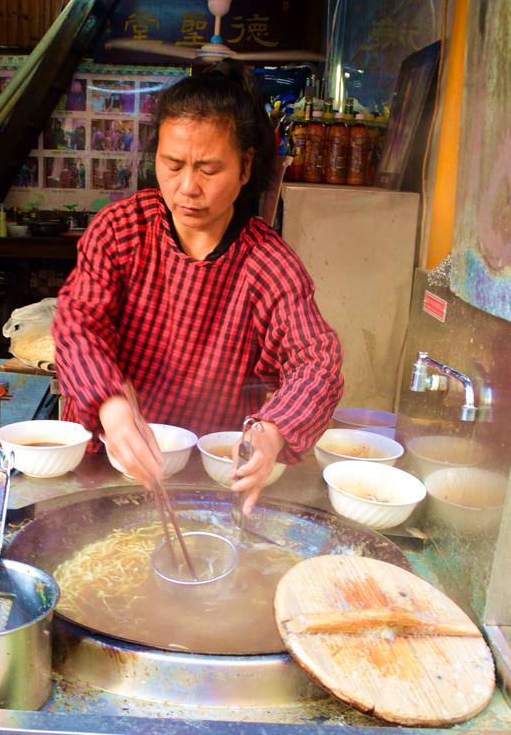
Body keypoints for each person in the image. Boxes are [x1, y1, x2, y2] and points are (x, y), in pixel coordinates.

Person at [53, 60, 344, 514]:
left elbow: (318, 362)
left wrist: (270, 432)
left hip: (206, 479)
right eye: (173, 165)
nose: (187, 187)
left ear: (246, 168)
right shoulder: (121, 230)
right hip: (107, 465)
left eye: (208, 169)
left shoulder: (268, 264)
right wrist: (110, 404)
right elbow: (76, 323)